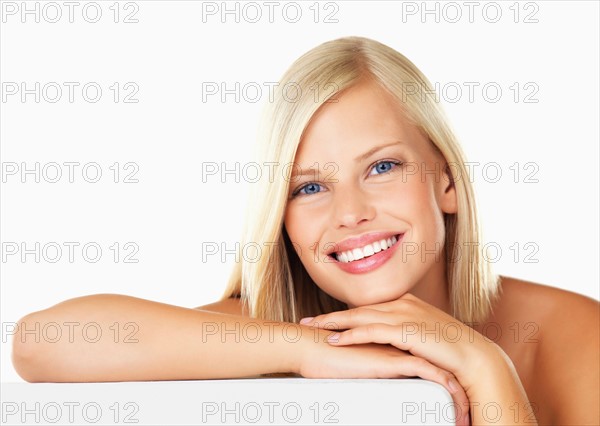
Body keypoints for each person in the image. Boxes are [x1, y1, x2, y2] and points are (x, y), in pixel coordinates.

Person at [12, 37, 599, 426]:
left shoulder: (568, 335)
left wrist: (482, 364)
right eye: (309, 187)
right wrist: (308, 349)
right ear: (282, 217)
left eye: (382, 167)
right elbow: (41, 342)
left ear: (445, 181)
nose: (350, 213)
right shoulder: (286, 323)